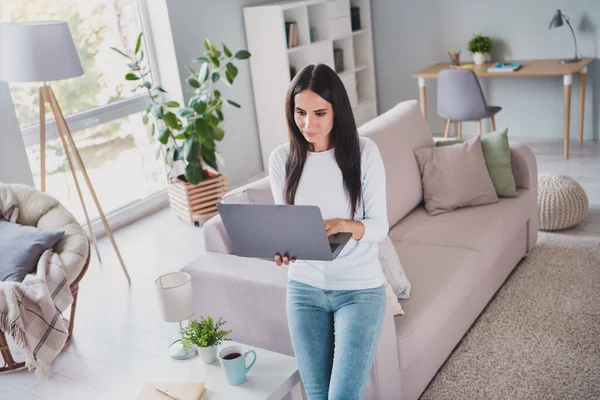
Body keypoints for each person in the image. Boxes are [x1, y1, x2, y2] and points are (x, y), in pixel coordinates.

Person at [268, 63, 389, 399]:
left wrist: (346, 225)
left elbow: (381, 226)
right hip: (304, 290)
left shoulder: (364, 153)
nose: (309, 124)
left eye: (320, 113)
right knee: (317, 395)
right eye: (300, 112)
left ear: (338, 111)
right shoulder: (282, 159)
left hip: (359, 290)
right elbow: (286, 226)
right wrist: (282, 248)